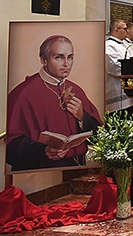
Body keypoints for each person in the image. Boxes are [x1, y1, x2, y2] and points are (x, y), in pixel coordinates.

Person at [6, 35, 102, 171]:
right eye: (59, 57)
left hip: (76, 167)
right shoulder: (23, 93)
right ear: (43, 60)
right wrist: (43, 150)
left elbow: (100, 134)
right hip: (39, 172)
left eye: (70, 57)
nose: (66, 64)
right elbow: (11, 144)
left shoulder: (76, 90)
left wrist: (82, 117)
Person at [105, 19, 133, 112]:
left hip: (129, 91)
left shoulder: (125, 46)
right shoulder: (109, 45)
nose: (127, 31)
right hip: (116, 90)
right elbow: (114, 67)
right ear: (116, 30)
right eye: (125, 28)